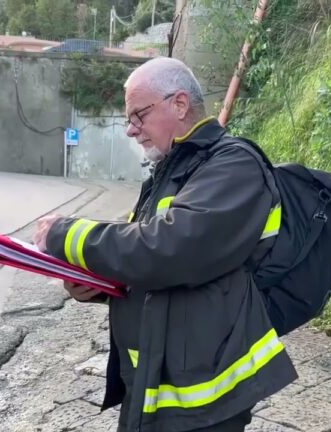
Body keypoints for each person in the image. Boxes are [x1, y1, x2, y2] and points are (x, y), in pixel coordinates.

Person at [33, 57, 297, 432]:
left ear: (179, 104)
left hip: (205, 398)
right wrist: (97, 286)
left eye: (138, 115)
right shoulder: (171, 172)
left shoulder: (235, 165)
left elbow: (169, 249)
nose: (131, 130)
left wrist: (64, 235)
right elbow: (140, 259)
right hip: (155, 380)